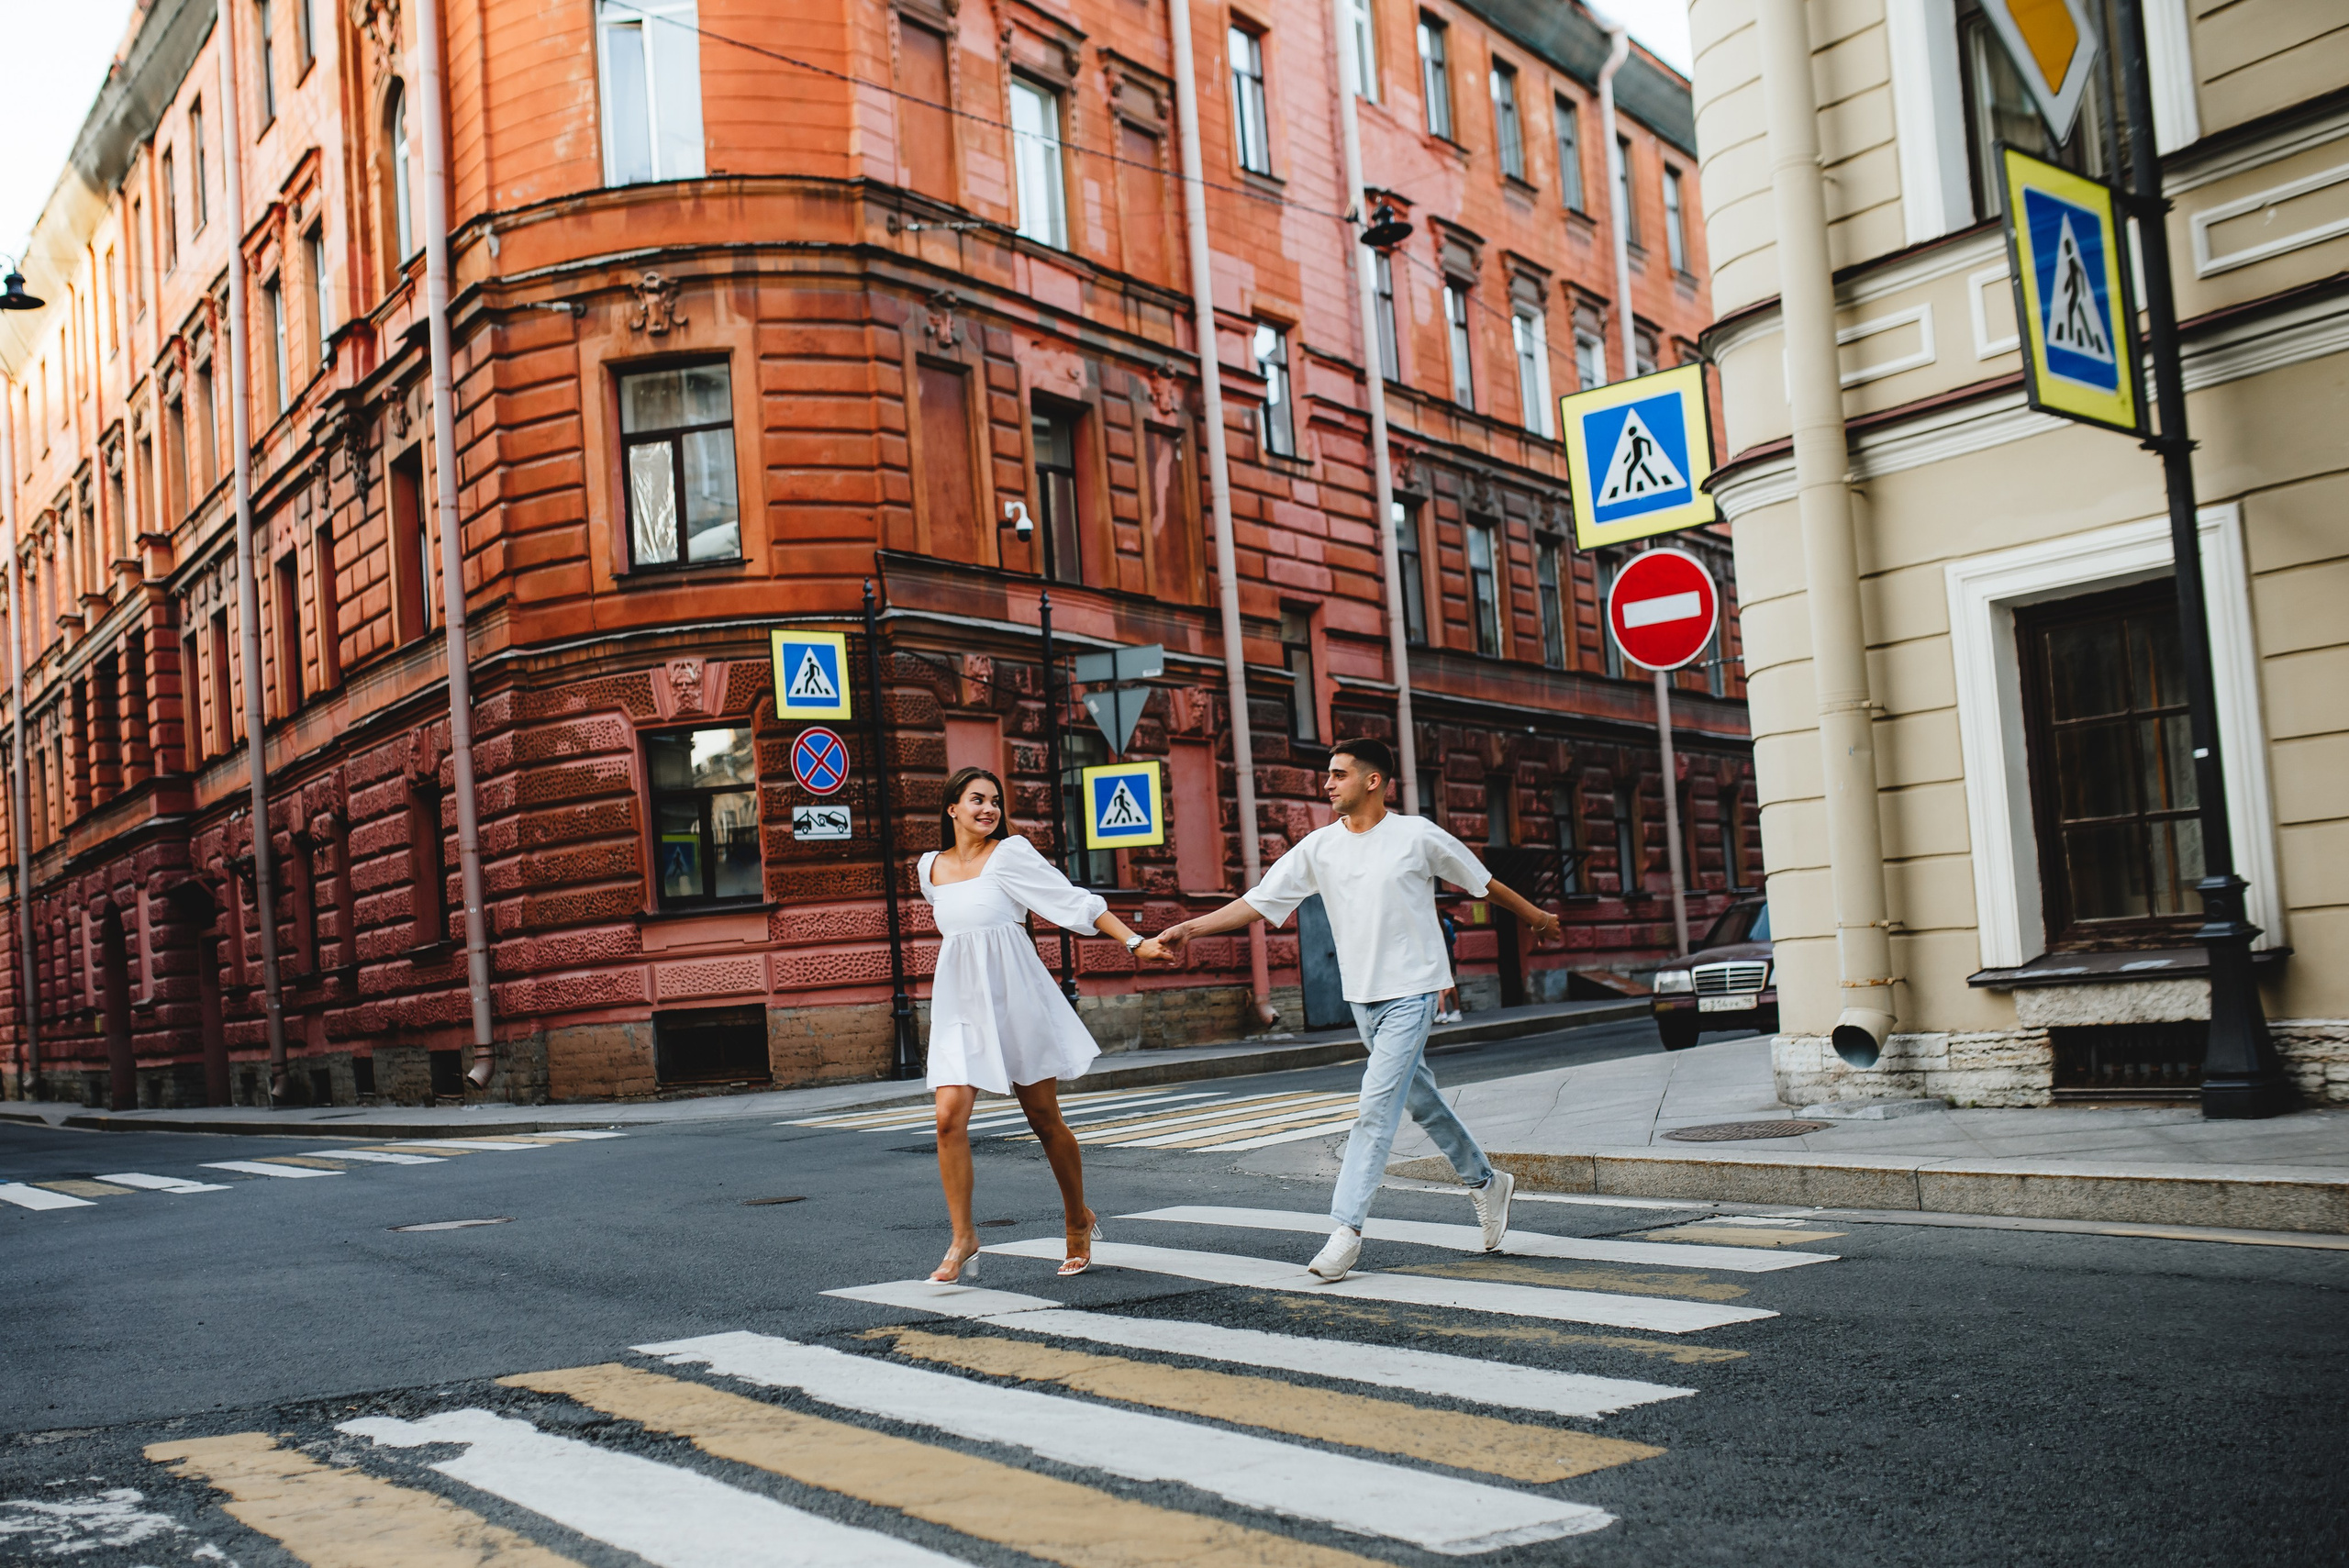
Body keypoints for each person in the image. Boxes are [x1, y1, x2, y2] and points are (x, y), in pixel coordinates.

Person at [1157, 738, 1562, 1281]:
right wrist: (1190, 927)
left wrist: (1536, 916)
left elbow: (1481, 883)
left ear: (1373, 781)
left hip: (1414, 991)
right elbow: (1259, 900)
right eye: (1328, 775)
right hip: (1363, 999)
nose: (1327, 783)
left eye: (1338, 774)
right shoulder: (1320, 847)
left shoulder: (1416, 836)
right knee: (1421, 1102)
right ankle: (1488, 1182)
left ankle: (1345, 1230)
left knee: (1375, 1108)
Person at [919, 765, 1170, 1284]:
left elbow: (1073, 901)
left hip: (1015, 999)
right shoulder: (929, 869)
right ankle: (964, 1236)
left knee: (1042, 1117)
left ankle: (1078, 1217)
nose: (988, 809)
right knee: (948, 1117)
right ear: (952, 809)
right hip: (960, 1005)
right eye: (976, 799)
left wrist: (1134, 943)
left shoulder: (1009, 855)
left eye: (994, 801)